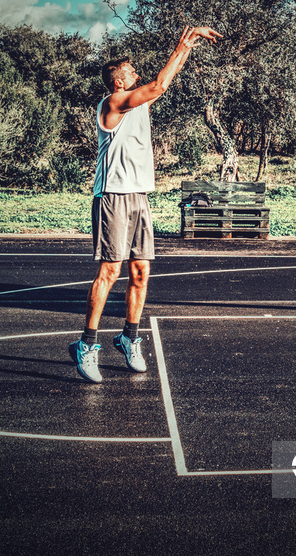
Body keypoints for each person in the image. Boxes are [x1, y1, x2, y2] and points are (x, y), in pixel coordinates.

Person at [69, 25, 222, 382]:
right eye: (131, 72)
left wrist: (190, 45)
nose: (137, 75)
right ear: (118, 82)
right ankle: (86, 345)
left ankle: (129, 337)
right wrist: (181, 41)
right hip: (113, 196)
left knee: (141, 272)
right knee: (110, 271)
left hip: (139, 196)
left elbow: (164, 81)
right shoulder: (112, 104)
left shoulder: (137, 100)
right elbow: (158, 84)